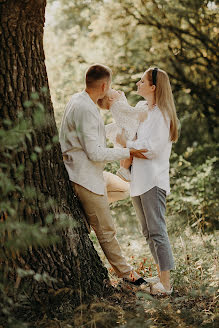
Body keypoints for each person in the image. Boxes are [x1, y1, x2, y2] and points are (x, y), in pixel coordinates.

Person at [59, 64, 149, 287]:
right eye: (110, 86)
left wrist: (120, 126)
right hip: (83, 176)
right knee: (107, 229)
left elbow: (96, 134)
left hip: (91, 172)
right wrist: (129, 151)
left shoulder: (80, 99)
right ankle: (127, 275)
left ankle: (87, 212)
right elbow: (95, 152)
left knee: (123, 188)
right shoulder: (86, 109)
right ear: (104, 85)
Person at [116, 67, 178, 295]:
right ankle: (162, 275)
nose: (138, 84)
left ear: (154, 87)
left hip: (153, 179)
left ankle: (166, 285)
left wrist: (127, 145)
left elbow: (150, 151)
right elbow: (128, 131)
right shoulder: (142, 108)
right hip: (138, 179)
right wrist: (128, 144)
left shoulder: (163, 115)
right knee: (146, 231)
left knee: (157, 230)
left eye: (142, 81)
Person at [98, 89, 148, 182]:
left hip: (123, 131)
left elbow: (124, 105)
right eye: (114, 91)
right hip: (128, 131)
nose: (117, 90)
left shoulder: (115, 106)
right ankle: (124, 169)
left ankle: (122, 168)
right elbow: (130, 110)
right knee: (131, 152)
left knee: (124, 152)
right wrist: (145, 108)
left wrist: (122, 96)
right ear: (111, 98)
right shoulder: (118, 105)